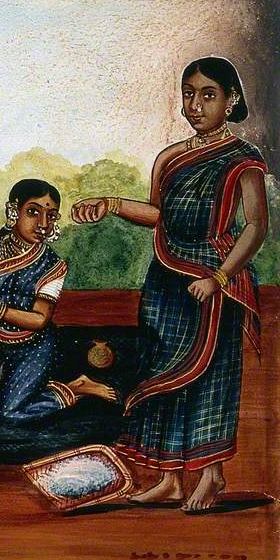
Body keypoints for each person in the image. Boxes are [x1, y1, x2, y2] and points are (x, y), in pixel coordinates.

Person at [71, 56, 268, 513]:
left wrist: (218, 278)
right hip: (165, 279)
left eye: (208, 95)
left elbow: (255, 227)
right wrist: (113, 204)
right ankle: (169, 478)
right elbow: (160, 216)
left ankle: (211, 475)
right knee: (163, 377)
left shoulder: (242, 160)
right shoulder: (170, 158)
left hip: (213, 279)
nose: (195, 105)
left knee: (209, 378)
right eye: (189, 94)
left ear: (231, 100)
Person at [0, 179, 117, 424]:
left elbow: (39, 319)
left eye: (51, 216)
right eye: (33, 212)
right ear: (14, 211)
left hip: (32, 347)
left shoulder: (54, 266)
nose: (43, 224)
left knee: (10, 413)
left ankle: (73, 389)